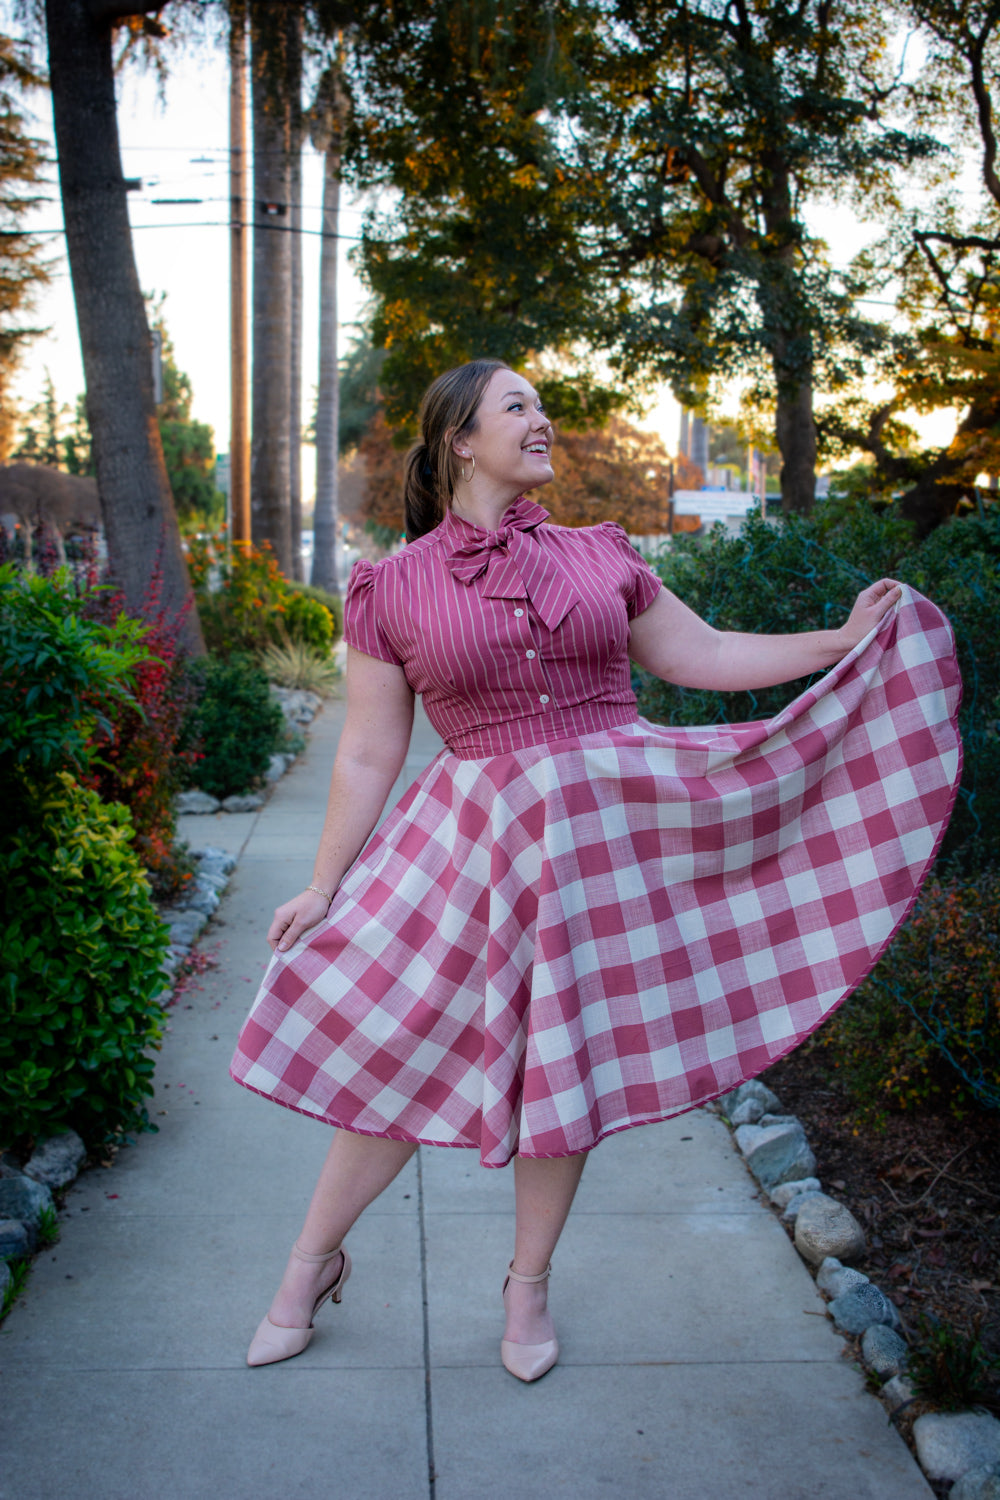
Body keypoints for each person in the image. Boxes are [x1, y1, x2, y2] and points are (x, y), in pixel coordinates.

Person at [231, 359, 960, 1380]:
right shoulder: (389, 586)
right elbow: (365, 751)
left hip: (608, 846)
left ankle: (526, 1289)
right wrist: (322, 882)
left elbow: (699, 655)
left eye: (540, 405)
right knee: (395, 1053)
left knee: (562, 1068)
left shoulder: (598, 555)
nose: (543, 420)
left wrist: (839, 641)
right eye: (518, 407)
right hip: (473, 852)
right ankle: (310, 1263)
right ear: (460, 441)